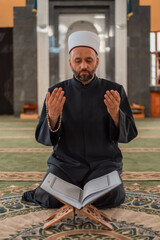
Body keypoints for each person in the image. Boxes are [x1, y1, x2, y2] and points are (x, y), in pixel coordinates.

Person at [22, 31, 138, 209]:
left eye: (89, 60)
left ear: (97, 61)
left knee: (114, 196)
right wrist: (52, 117)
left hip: (103, 163)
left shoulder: (114, 91)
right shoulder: (56, 92)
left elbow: (128, 134)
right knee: (48, 198)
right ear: (70, 62)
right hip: (65, 164)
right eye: (78, 60)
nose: (83, 65)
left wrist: (116, 114)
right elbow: (42, 137)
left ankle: (77, 192)